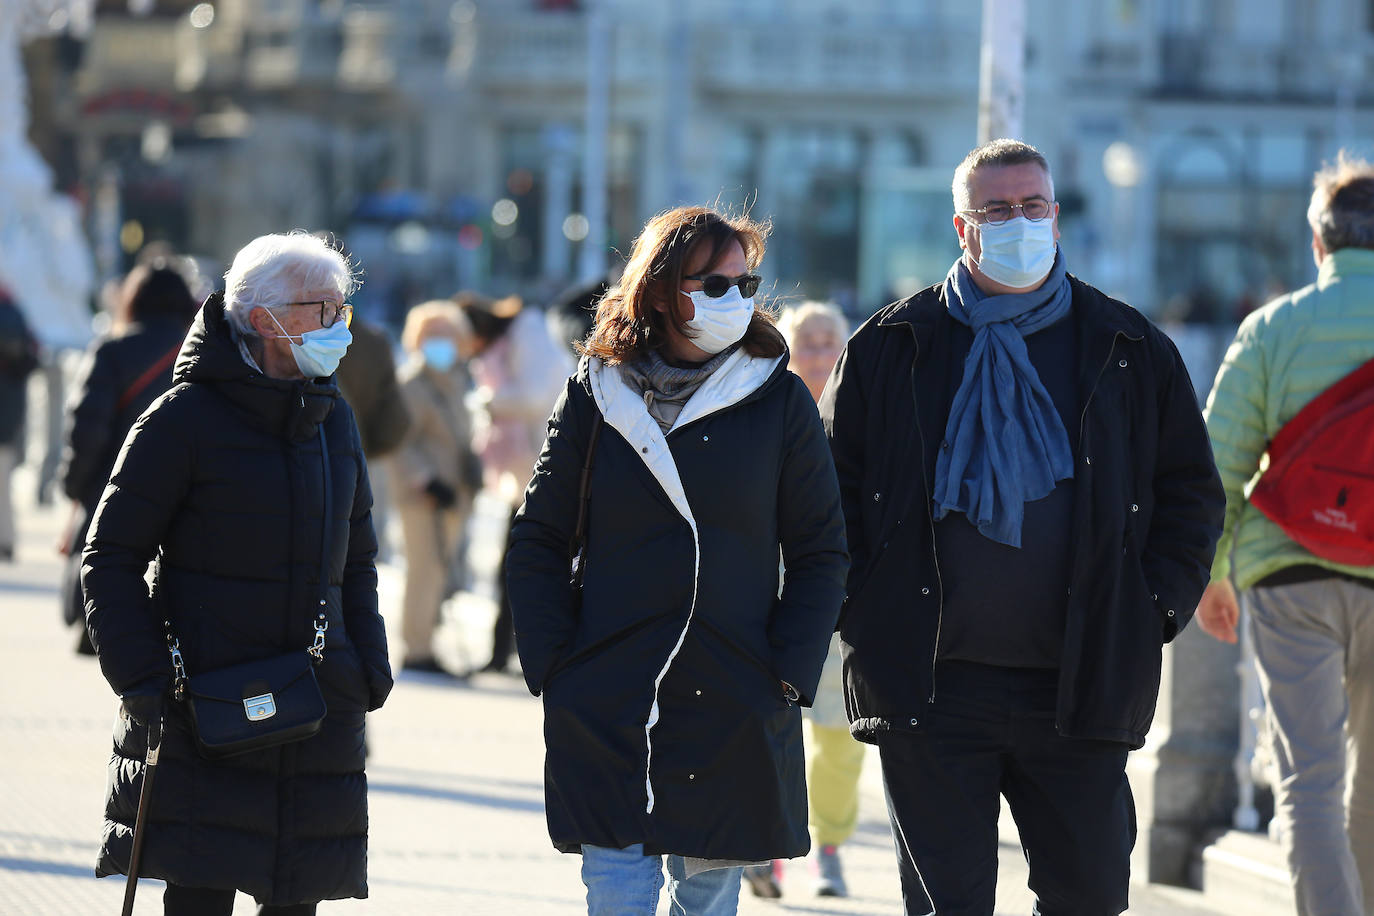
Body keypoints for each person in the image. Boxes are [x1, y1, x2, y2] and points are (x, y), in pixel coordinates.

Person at [819, 139, 1224, 915]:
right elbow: (829, 498)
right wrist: (860, 613)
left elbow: (1191, 495)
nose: (1018, 222)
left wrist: (1153, 612)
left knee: (1090, 899)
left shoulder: (1130, 347)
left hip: (1082, 686)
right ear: (962, 227)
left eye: (1032, 206)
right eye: (996, 210)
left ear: (1057, 217)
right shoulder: (889, 347)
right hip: (929, 691)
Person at [506, 205, 848, 915]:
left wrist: (786, 674)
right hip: (608, 695)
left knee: (708, 899)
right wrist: (553, 665)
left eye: (745, 285)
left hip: (732, 695)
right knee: (618, 895)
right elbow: (539, 536)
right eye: (714, 284)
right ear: (660, 291)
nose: (736, 300)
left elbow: (821, 549)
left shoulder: (777, 398)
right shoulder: (595, 392)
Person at [82, 231, 393, 916]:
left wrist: (367, 663)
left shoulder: (332, 419)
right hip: (203, 708)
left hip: (316, 705)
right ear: (263, 320)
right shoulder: (181, 419)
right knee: (200, 895)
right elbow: (109, 558)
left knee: (297, 899)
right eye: (324, 309)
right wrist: (141, 681)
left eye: (345, 307)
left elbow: (359, 556)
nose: (341, 326)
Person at [1194, 152, 1374, 915]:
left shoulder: (1272, 329)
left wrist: (1214, 572)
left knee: (1309, 780)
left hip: (1288, 576)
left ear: (1319, 243)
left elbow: (1217, 467)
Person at [743, 301, 860, 900]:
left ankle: (832, 850)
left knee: (840, 737)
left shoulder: (867, 417)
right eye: (805, 341)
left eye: (828, 340)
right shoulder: (766, 412)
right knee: (772, 726)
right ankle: (765, 849)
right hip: (770, 595)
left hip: (841, 598)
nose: (818, 352)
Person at [58, 261, 199, 652]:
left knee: (110, 571)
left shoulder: (114, 350)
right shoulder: (199, 351)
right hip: (185, 485)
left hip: (114, 485)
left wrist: (74, 483)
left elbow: (87, 426)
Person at [459, 290, 573, 672]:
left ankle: (522, 654)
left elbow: (535, 396)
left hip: (549, 473)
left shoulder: (528, 330)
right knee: (511, 564)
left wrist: (484, 402)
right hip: (523, 477)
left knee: (530, 565)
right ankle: (500, 652)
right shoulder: (501, 346)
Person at [391, 299, 481, 674]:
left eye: (447, 335)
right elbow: (399, 442)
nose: (440, 343)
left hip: (455, 492)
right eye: (432, 336)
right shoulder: (412, 383)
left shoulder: (460, 379)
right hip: (423, 495)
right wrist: (425, 479)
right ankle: (416, 648)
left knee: (438, 572)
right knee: (423, 571)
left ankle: (426, 640)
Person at [335, 315, 411, 560]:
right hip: (371, 453)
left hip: (329, 449)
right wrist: (380, 446)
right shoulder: (376, 341)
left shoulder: (314, 340)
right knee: (366, 541)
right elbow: (394, 408)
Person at [0, 284, 39, 562]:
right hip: (9, 412)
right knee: (4, 483)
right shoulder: (16, 312)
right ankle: (7, 538)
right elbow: (30, 360)